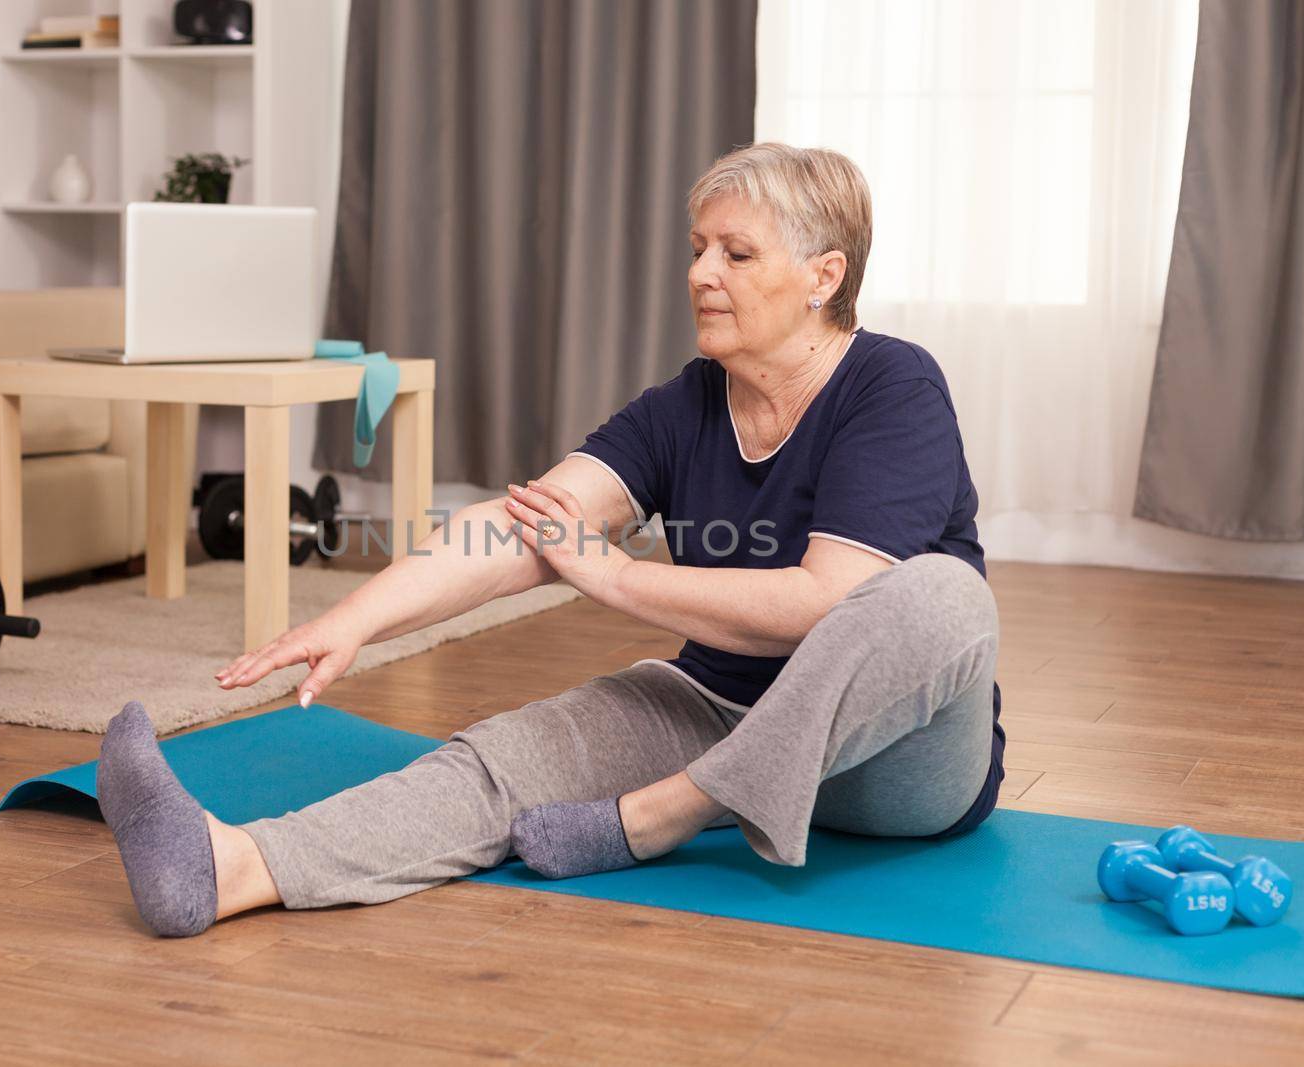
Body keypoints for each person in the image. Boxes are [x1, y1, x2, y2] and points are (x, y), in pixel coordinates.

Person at [96, 142, 1005, 937]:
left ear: (824, 275)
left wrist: (612, 576)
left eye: (735, 252)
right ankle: (231, 870)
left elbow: (818, 604)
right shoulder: (687, 401)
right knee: (506, 756)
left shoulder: (893, 386)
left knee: (943, 594)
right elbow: (526, 527)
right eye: (696, 250)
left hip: (896, 767)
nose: (700, 273)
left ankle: (667, 813)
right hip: (716, 708)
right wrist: (355, 621)